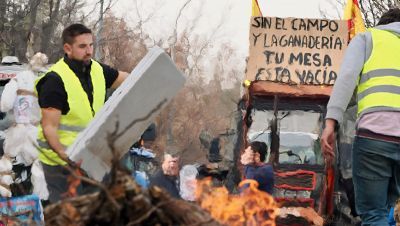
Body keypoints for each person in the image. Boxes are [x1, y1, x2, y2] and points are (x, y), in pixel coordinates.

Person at [321, 8, 400, 226]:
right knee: (386, 208)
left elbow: (346, 78)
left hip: (375, 137)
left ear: (382, 24)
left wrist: (331, 122)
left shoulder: (367, 38)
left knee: (375, 213)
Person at [35, 24, 128, 203]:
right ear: (68, 48)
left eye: (91, 45)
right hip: (60, 162)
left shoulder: (98, 70)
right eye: (82, 46)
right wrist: (66, 157)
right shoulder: (54, 81)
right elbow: (49, 128)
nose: (89, 51)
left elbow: (130, 80)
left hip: (90, 155)